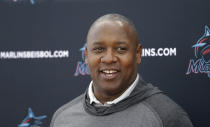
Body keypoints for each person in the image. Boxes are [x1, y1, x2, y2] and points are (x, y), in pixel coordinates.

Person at [50, 13, 193, 127]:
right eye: (99, 49)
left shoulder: (166, 116)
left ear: (137, 54)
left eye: (121, 49)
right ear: (86, 55)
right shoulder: (62, 117)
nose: (109, 59)